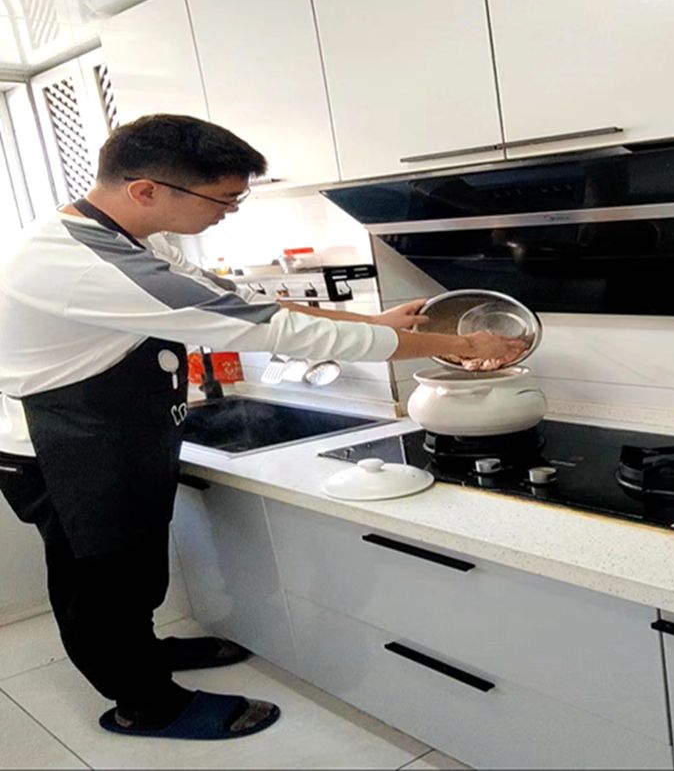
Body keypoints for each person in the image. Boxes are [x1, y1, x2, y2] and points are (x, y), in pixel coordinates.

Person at [0, 114, 526, 741]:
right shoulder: (80, 263)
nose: (229, 212)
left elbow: (247, 305)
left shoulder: (128, 240)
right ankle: (144, 705)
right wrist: (459, 345)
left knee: (133, 574)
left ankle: (145, 655)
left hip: (110, 437)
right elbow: (269, 332)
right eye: (223, 199)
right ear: (146, 190)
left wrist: (377, 323)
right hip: (60, 448)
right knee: (100, 586)